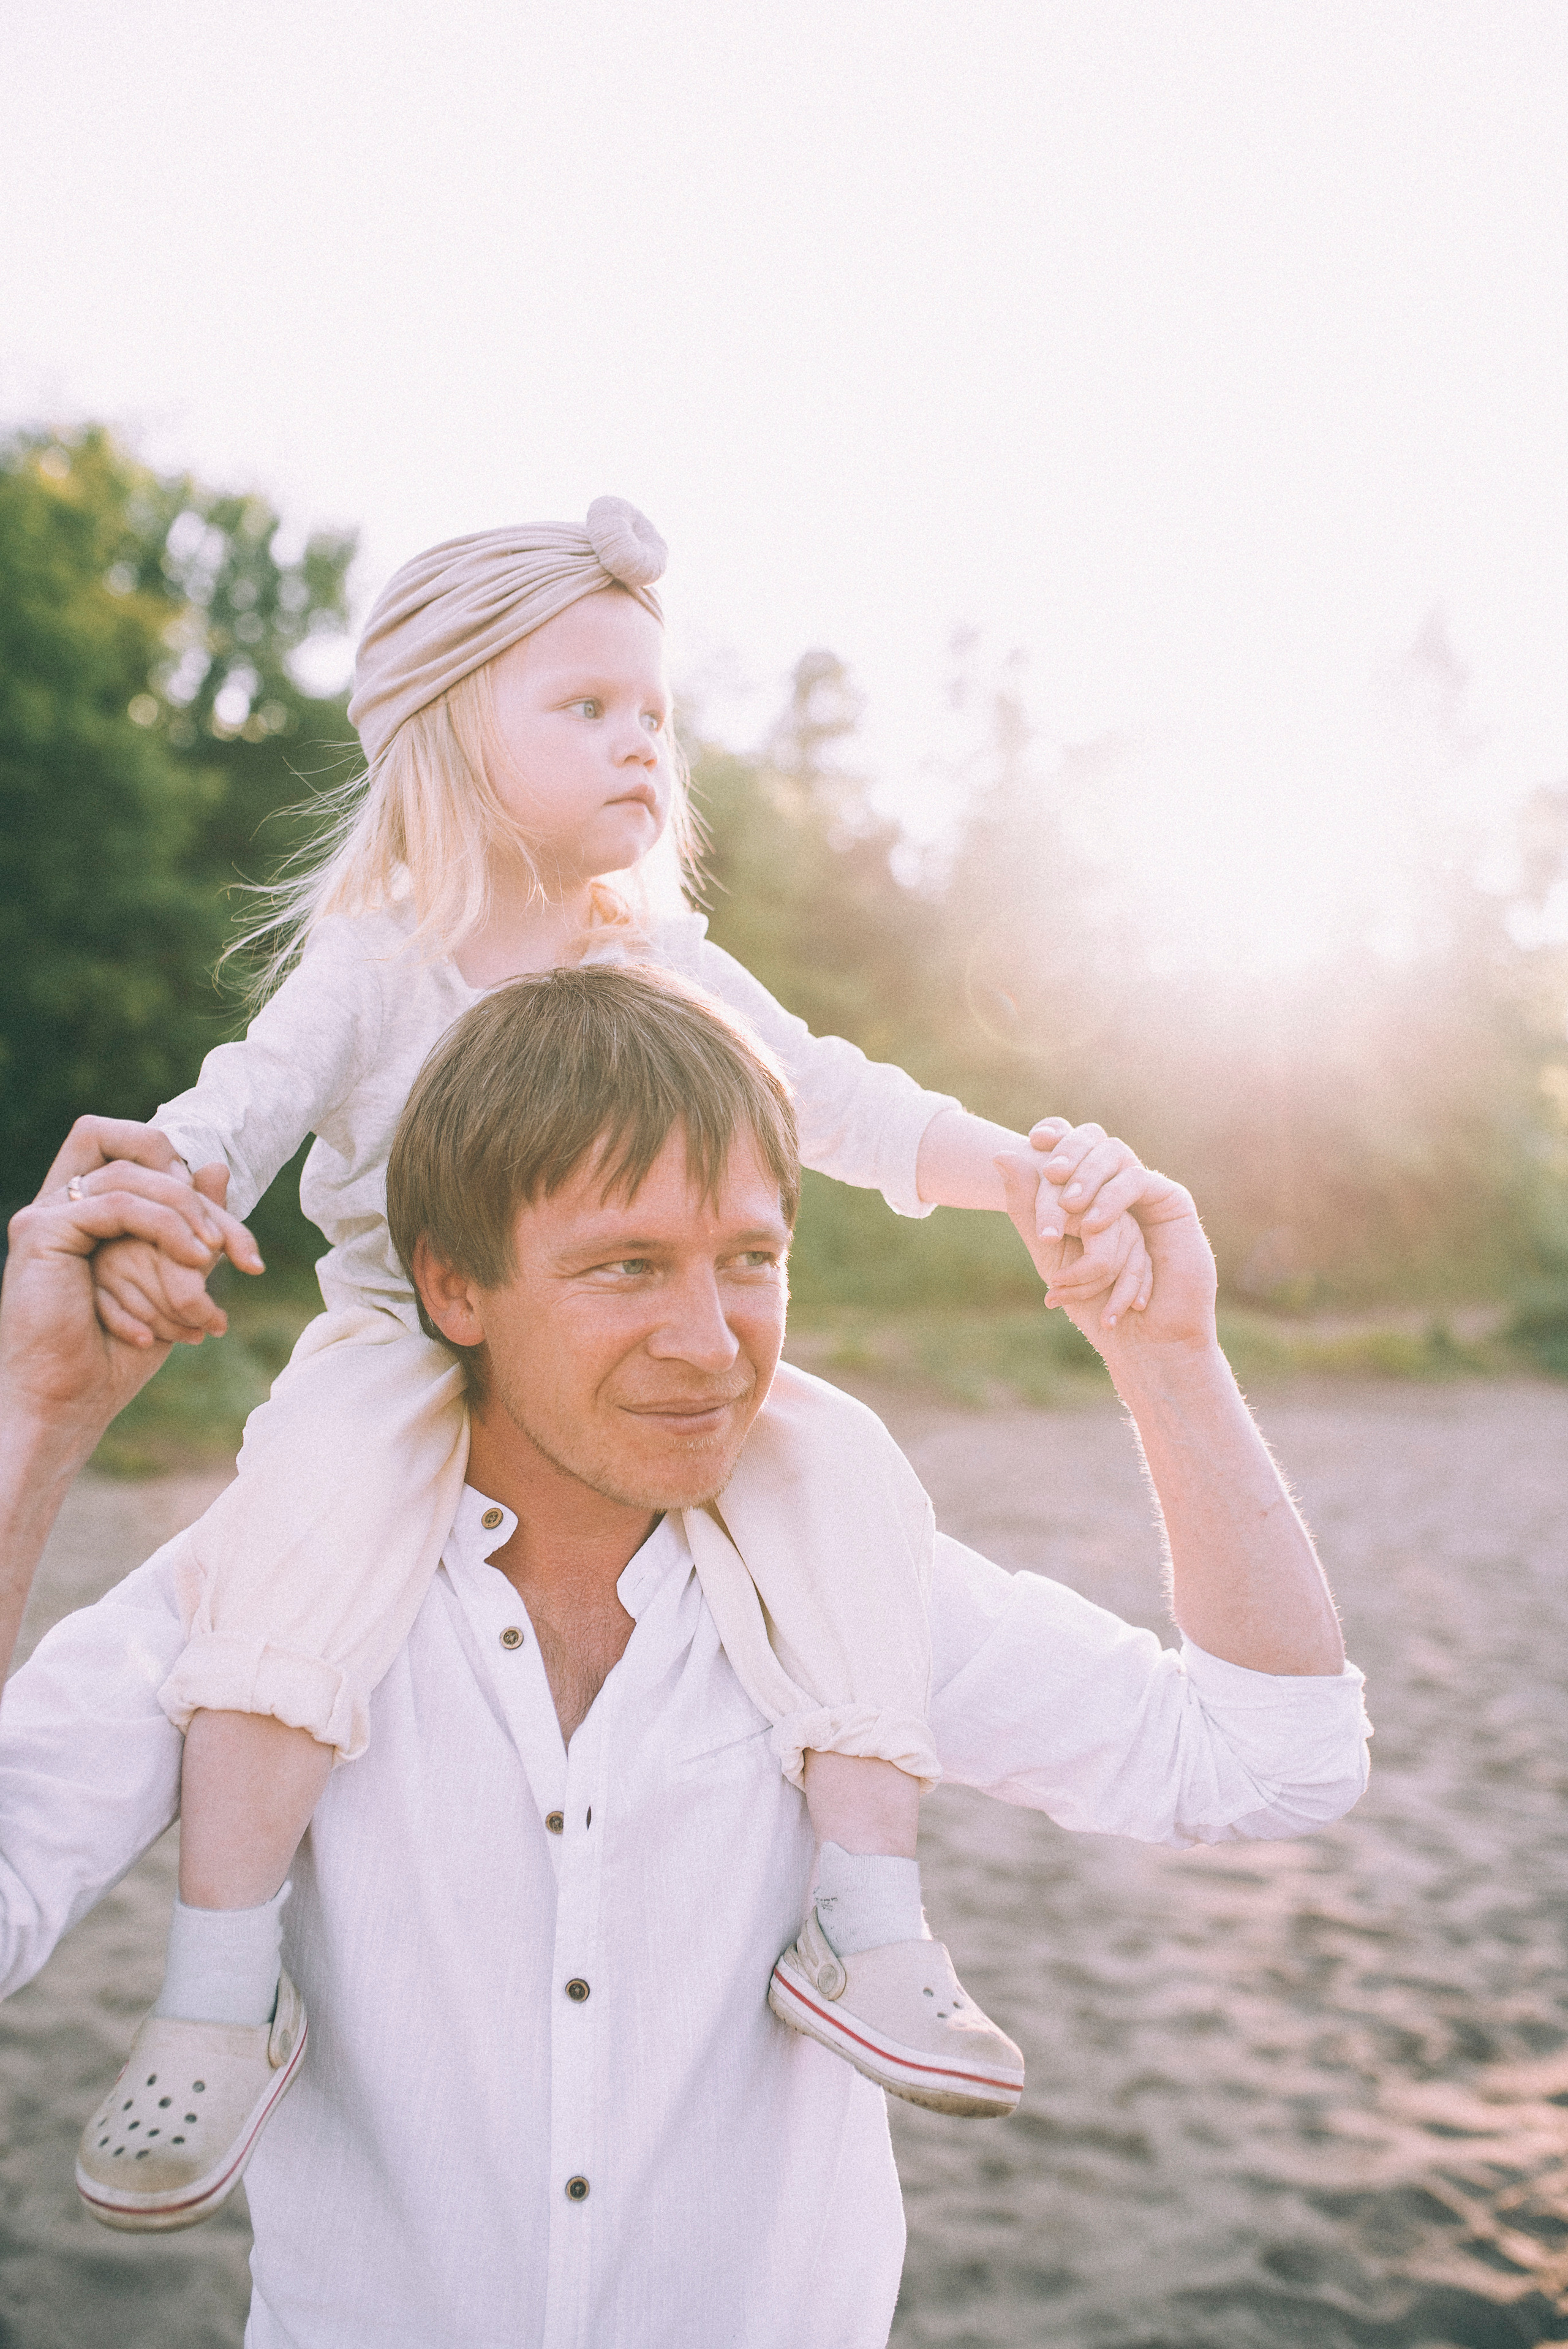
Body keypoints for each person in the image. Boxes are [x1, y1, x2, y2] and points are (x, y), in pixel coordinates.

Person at [62, 498, 1161, 2225]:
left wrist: (1010, 1168)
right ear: (445, 733)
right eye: (583, 709)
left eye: (653, 712)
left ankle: (867, 1915)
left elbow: (838, 1093)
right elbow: (244, 1101)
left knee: (846, 1473)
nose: (639, 741)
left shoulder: (663, 962)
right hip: (400, 1339)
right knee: (297, 1535)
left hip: (634, 1344)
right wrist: (167, 1188)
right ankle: (220, 1981)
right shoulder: (373, 962)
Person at [1, 968, 1369, 2346]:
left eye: (749, 1260)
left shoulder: (853, 1586)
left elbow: (1270, 1764)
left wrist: (1164, 1351)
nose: (711, 1342)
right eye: (624, 1267)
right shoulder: (262, 1599)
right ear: (455, 1285)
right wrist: (42, 1417)